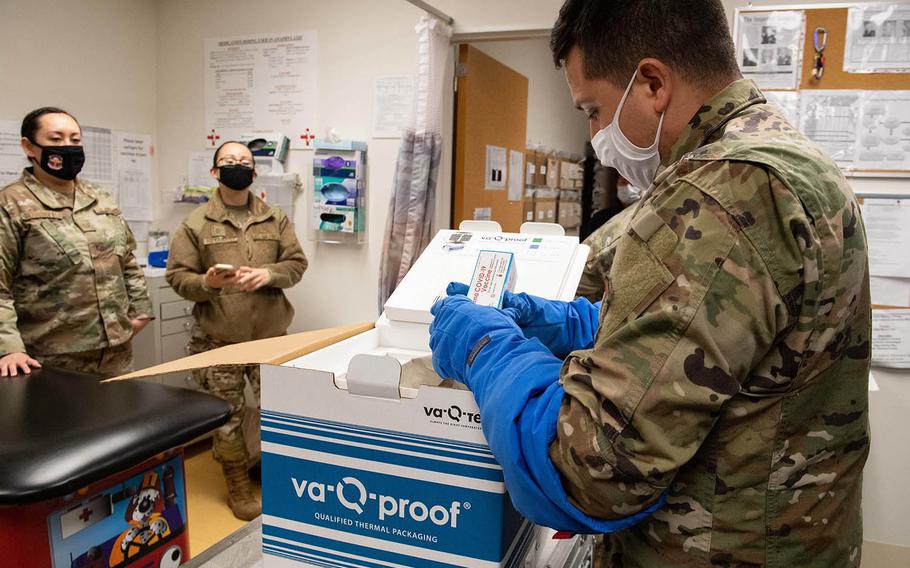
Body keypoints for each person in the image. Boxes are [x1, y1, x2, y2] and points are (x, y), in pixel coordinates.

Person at [428, 1, 870, 566]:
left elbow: (591, 470)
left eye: (593, 109)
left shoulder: (722, 195)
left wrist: (488, 350)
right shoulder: (783, 157)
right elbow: (726, 341)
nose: (593, 136)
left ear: (653, 83)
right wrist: (576, 322)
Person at [166, 141, 307, 520]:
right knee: (227, 417)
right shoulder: (196, 223)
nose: (237, 167)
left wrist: (269, 274)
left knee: (278, 412)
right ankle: (238, 486)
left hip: (270, 339)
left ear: (254, 173)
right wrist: (209, 282)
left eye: (244, 162)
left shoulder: (273, 217)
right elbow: (178, 277)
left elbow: (296, 264)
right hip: (218, 340)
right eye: (229, 162)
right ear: (215, 172)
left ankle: (272, 473)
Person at [0, 107, 152, 379]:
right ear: (29, 147)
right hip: (50, 356)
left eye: (75, 140)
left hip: (116, 352)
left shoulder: (99, 198)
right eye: (56, 140)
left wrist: (140, 312)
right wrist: (8, 347)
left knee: (122, 419)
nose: (67, 147)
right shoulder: (11, 204)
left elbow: (126, 260)